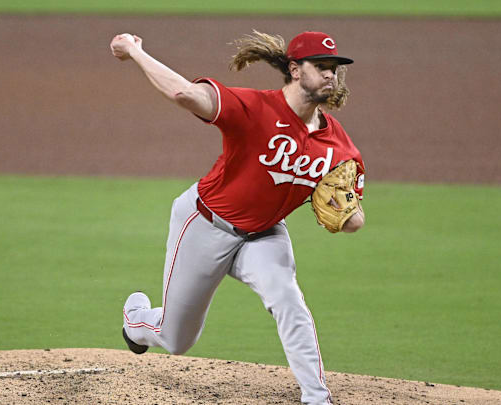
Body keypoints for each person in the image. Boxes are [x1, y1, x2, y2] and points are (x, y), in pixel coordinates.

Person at [110, 29, 366, 405]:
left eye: (335, 68)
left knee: (288, 299)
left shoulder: (340, 146)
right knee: (177, 339)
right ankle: (137, 320)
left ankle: (316, 397)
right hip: (204, 224)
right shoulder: (254, 108)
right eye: (321, 66)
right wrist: (133, 51)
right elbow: (185, 93)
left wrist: (349, 214)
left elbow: (353, 218)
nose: (331, 74)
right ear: (295, 70)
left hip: (264, 235)